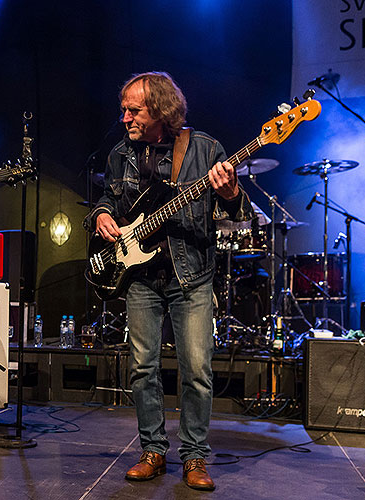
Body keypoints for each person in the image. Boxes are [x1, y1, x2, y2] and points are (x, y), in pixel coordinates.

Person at [83, 72, 253, 491]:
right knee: (143, 368)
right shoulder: (120, 154)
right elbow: (107, 199)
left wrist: (230, 192)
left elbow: (238, 214)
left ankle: (195, 457)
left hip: (190, 275)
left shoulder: (204, 149)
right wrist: (101, 214)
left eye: (133, 109)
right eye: (123, 109)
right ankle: (152, 450)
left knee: (196, 369)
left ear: (160, 109)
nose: (124, 117)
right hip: (140, 276)